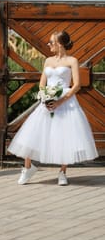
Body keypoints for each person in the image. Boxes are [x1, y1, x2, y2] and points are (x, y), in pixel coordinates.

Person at [8, 30, 98, 186]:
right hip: (47, 101)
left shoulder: (72, 61)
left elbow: (76, 85)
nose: (49, 44)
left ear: (60, 44)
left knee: (65, 136)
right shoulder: (48, 61)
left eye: (51, 42)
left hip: (66, 102)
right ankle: (28, 168)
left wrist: (60, 101)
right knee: (32, 133)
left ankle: (62, 172)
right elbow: (42, 83)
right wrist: (45, 97)